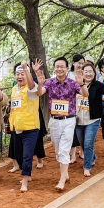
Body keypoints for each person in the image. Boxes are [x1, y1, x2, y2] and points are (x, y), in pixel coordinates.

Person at [36, 57, 88, 191]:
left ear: (66, 68)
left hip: (69, 120)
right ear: (54, 68)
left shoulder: (73, 82)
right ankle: (65, 174)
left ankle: (61, 180)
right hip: (54, 121)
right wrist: (40, 83)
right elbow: (39, 93)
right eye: (57, 66)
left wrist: (82, 83)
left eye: (62, 66)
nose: (59, 69)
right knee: (58, 151)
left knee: (64, 150)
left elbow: (85, 95)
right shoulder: (50, 82)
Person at [8, 61, 41, 192]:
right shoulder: (14, 89)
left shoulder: (31, 88)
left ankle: (25, 180)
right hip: (17, 128)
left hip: (31, 128)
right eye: (18, 74)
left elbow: (33, 86)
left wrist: (27, 69)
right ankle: (26, 173)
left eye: (22, 73)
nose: (20, 76)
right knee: (18, 154)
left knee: (27, 155)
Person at [76, 64, 104, 177]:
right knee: (83, 144)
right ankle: (92, 157)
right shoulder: (76, 85)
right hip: (78, 120)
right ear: (82, 73)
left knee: (88, 144)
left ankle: (87, 167)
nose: (88, 74)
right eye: (86, 71)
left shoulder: (97, 85)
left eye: (90, 71)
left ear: (94, 73)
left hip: (93, 120)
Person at [67, 54, 85, 164]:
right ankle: (72, 155)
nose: (81, 66)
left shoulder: (85, 74)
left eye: (83, 64)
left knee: (83, 128)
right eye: (79, 63)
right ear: (73, 63)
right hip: (71, 106)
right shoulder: (68, 75)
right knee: (72, 131)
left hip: (83, 105)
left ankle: (82, 151)